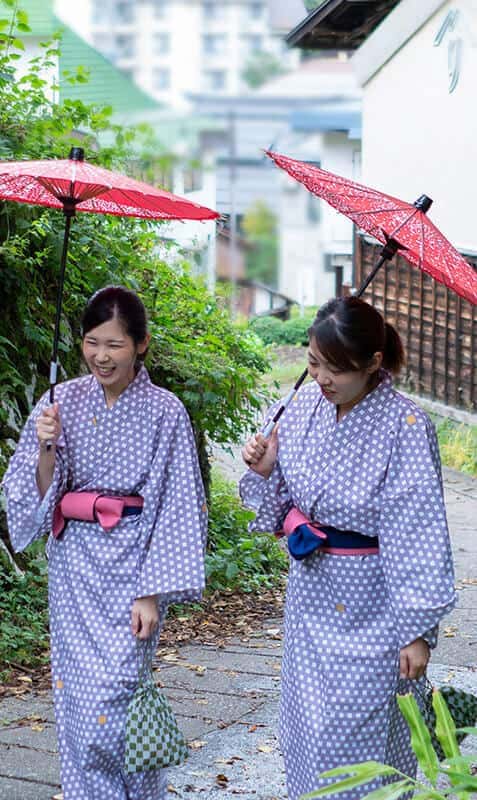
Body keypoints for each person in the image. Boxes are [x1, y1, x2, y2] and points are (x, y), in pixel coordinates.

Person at [240, 296, 456, 800]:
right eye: (314, 362)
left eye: (337, 369)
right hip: (311, 593)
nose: (322, 378)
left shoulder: (405, 426)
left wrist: (417, 632)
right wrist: (266, 468)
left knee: (363, 736)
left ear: (374, 363)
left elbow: (418, 532)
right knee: (307, 729)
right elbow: (282, 505)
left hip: (374, 605)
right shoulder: (301, 408)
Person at [2, 286, 207, 800]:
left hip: (133, 568)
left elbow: (178, 504)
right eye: (92, 342)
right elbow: (34, 494)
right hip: (75, 568)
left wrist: (151, 592)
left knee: (119, 697)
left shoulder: (165, 411)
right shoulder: (61, 402)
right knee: (78, 703)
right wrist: (46, 447)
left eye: (114, 344)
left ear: (141, 344)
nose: (101, 356)